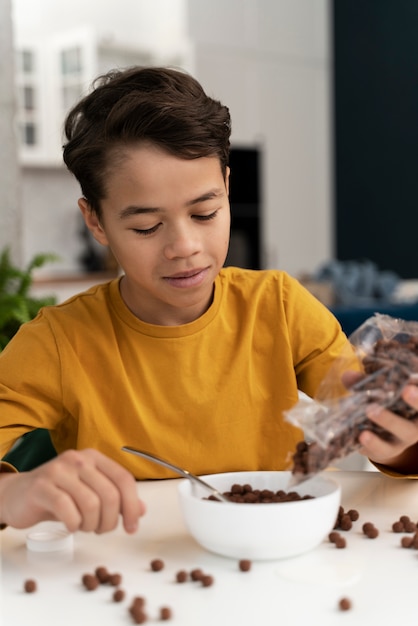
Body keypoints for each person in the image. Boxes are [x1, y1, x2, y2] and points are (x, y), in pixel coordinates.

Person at [1, 67, 417, 535]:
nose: (185, 247)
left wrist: (398, 440)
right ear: (95, 221)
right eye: (146, 227)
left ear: (226, 185)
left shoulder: (278, 305)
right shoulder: (58, 343)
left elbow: (373, 418)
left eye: (205, 212)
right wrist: (13, 493)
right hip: (137, 568)